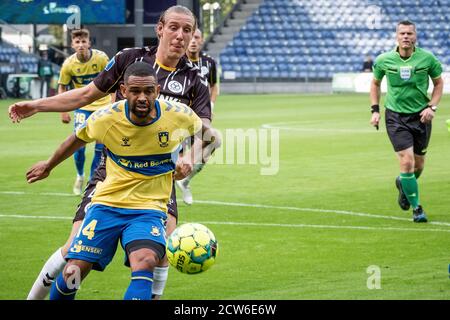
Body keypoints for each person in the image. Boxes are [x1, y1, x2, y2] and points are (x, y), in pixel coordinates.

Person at [10, 5, 219, 300]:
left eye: (187, 30)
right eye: (174, 27)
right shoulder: (129, 59)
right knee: (73, 250)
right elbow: (85, 95)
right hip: (111, 171)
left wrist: (190, 158)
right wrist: (37, 105)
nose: (180, 36)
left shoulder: (194, 81)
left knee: (159, 252)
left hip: (159, 177)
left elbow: (206, 133)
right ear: (159, 28)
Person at [26, 62, 202, 300]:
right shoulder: (106, 118)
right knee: (73, 272)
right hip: (107, 205)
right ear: (123, 90)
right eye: (135, 91)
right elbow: (76, 140)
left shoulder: (178, 115)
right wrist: (48, 165)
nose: (143, 97)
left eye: (149, 91)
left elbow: (206, 135)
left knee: (145, 261)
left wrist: (190, 157)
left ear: (157, 90)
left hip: (148, 209)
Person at [369, 20, 443, 223]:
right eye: (402, 33)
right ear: (396, 36)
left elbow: (438, 84)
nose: (406, 36)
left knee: (418, 167)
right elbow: (375, 84)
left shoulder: (427, 59)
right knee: (407, 161)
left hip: (421, 117)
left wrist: (432, 107)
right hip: (395, 117)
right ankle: (417, 208)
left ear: (415, 36)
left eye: (410, 33)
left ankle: (403, 183)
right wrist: (374, 110)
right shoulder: (384, 60)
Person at [58, 29, 111, 195]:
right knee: (79, 145)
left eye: (84, 41)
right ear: (72, 45)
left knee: (99, 148)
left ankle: (91, 180)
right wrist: (64, 110)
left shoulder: (101, 58)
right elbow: (62, 86)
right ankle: (80, 175)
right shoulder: (68, 64)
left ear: (89, 43)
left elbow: (113, 80)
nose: (81, 45)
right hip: (83, 107)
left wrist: (112, 104)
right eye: (77, 42)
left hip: (103, 106)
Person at [177, 28, 221, 205]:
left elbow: (213, 86)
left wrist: (210, 106)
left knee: (214, 141)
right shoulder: (179, 61)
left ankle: (185, 181)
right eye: (192, 37)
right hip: (180, 117)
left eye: (197, 37)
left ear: (202, 40)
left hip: (200, 117)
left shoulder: (209, 62)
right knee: (175, 158)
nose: (194, 41)